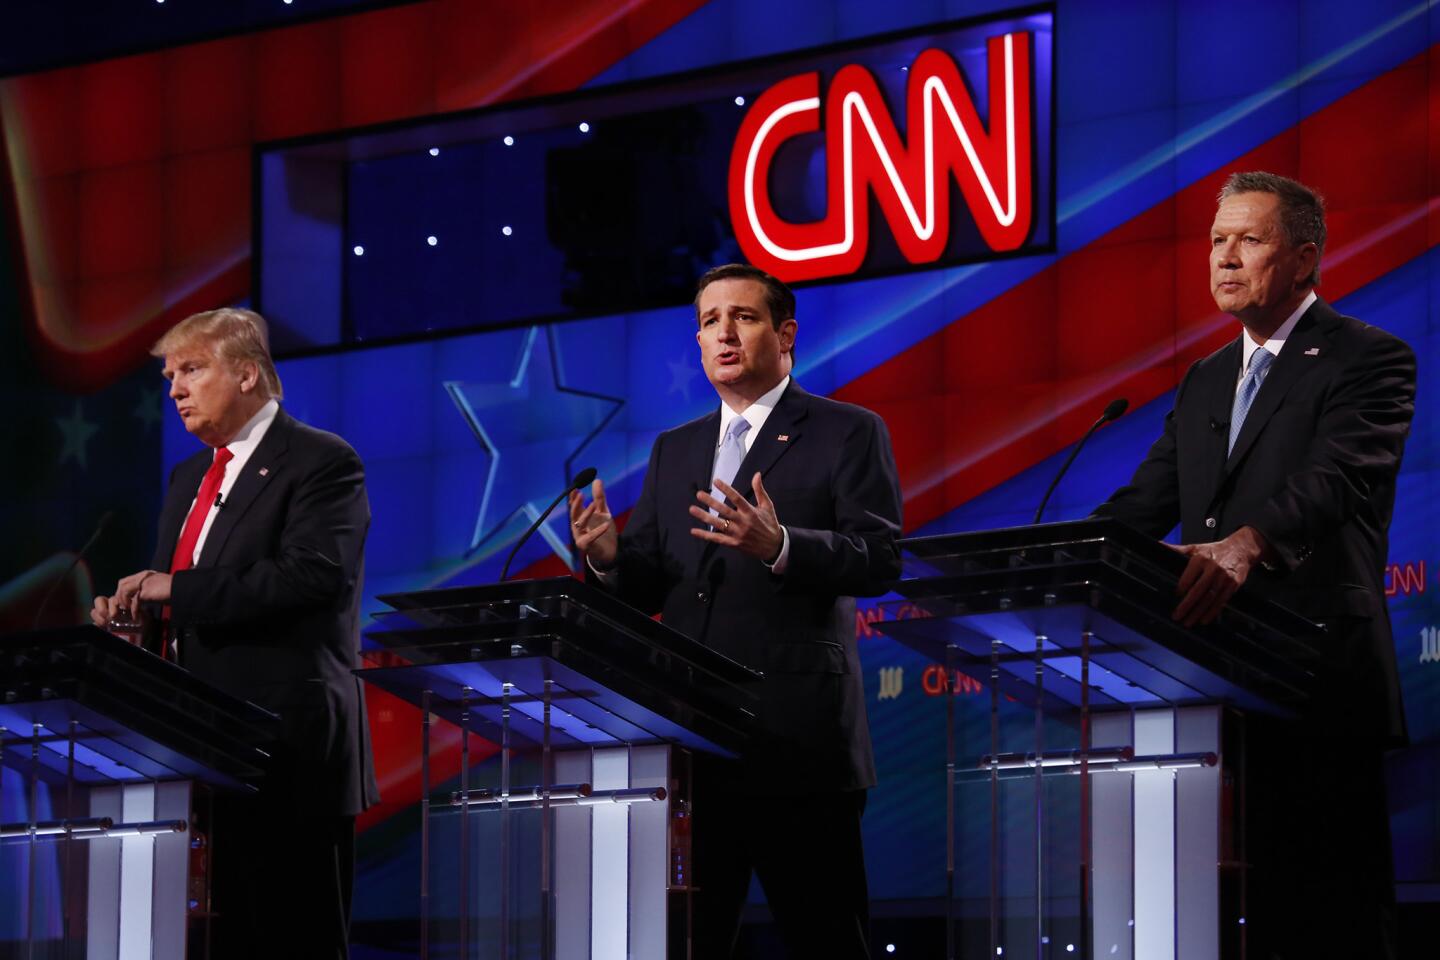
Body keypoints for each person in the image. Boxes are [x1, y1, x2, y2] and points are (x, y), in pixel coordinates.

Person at [1094, 171, 1415, 959]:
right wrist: (1054, 559)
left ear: (1304, 259)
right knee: (1247, 914)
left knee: (1336, 911)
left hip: (1318, 675)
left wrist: (1245, 544)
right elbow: (1146, 502)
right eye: (1216, 240)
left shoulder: (1369, 359)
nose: (1225, 258)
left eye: (1250, 239)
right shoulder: (1207, 376)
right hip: (1213, 684)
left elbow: (1334, 479)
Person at [569, 264, 902, 959]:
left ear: (786, 336)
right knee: (689, 944)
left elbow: (878, 558)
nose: (723, 332)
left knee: (828, 942)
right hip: (693, 749)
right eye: (709, 320)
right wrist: (606, 558)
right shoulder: (676, 448)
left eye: (743, 317)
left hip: (799, 744)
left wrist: (781, 544)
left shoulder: (846, 431)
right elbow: (651, 585)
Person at [90, 307, 378, 959]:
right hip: (195, 750)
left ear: (248, 374)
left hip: (290, 753)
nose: (175, 390)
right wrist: (139, 619)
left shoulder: (321, 461)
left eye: (191, 370)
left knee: (292, 940)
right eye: (169, 376)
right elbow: (185, 599)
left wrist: (174, 589)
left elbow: (312, 578)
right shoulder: (188, 477)